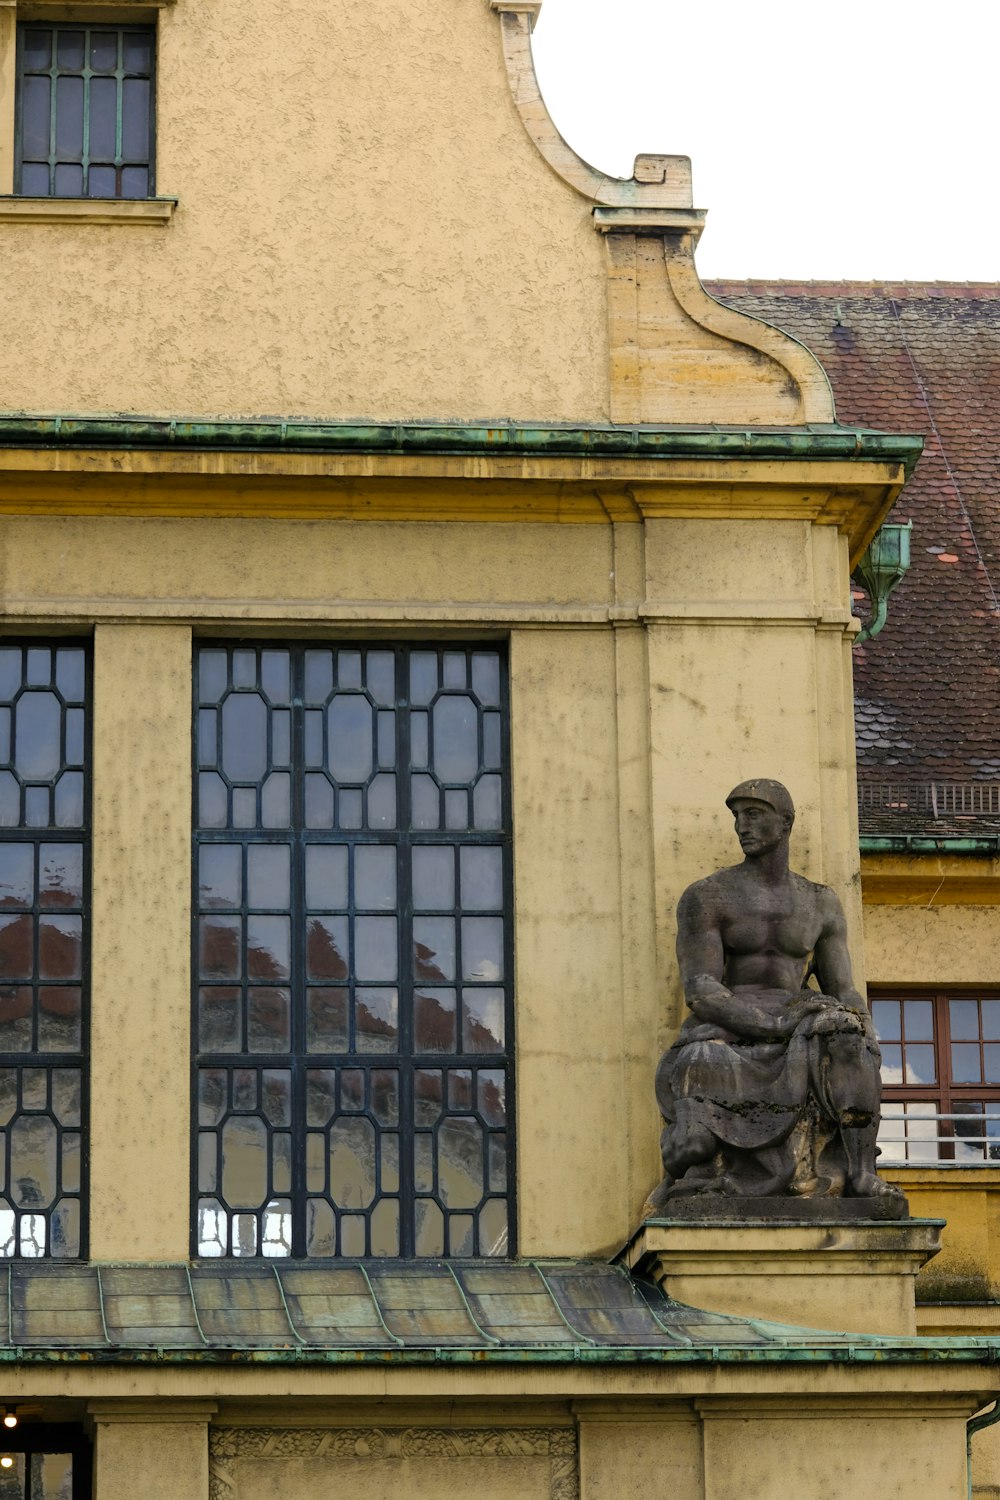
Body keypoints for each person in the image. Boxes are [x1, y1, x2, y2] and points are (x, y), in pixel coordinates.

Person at [652, 779, 903, 1204]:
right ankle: (705, 1167)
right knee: (699, 1057)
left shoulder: (821, 903)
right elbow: (702, 990)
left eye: (753, 814)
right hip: (732, 1027)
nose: (741, 827)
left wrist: (863, 1028)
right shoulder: (707, 896)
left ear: (785, 822)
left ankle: (861, 1173)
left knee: (850, 1043)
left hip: (799, 1025)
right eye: (737, 817)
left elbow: (843, 988)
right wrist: (771, 1025)